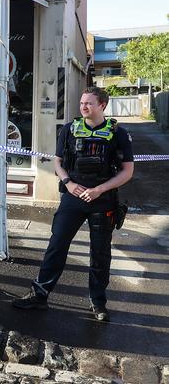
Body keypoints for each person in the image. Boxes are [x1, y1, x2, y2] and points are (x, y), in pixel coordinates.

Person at [12, 87, 134, 322]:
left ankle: (98, 302)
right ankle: (40, 295)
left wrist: (99, 189)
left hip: (102, 200)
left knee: (100, 253)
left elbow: (128, 171)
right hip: (72, 197)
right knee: (56, 245)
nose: (83, 107)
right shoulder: (69, 129)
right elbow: (58, 162)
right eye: (81, 103)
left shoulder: (119, 134)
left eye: (89, 103)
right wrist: (67, 183)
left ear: (103, 106)